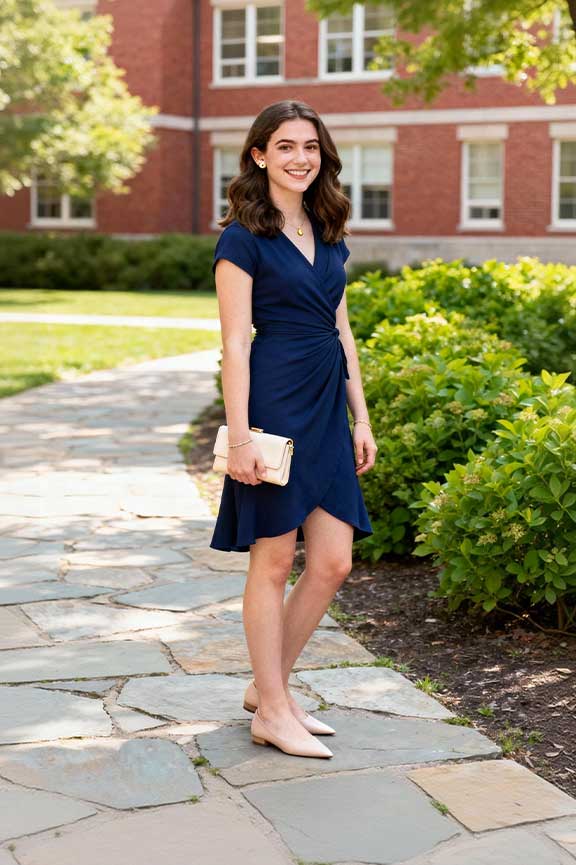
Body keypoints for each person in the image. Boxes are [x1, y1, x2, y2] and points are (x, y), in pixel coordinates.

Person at [211, 99, 377, 759]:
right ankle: (273, 708)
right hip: (274, 401)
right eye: (284, 146)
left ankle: (268, 686)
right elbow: (235, 344)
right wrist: (241, 435)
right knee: (274, 558)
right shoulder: (241, 237)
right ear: (259, 155)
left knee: (333, 560)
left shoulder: (330, 229)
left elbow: (341, 327)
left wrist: (361, 414)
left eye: (309, 146)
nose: (299, 157)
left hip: (327, 408)